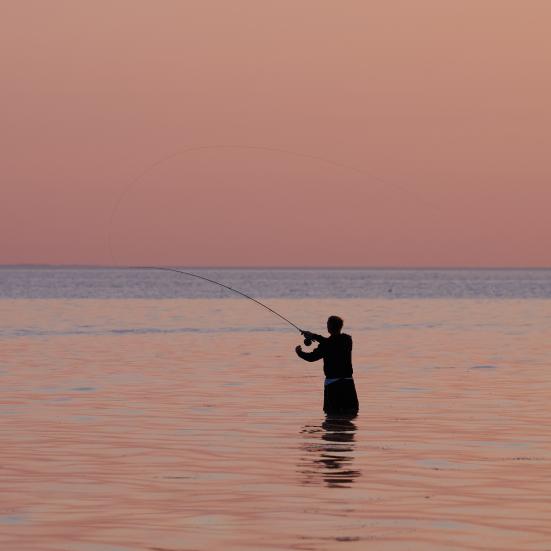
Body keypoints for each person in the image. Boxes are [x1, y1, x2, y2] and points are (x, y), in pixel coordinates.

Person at [295, 315, 359, 416]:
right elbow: (332, 342)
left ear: (328, 327)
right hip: (348, 384)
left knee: (331, 416)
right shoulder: (347, 340)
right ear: (340, 327)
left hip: (333, 385)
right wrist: (314, 336)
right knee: (350, 414)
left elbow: (311, 357)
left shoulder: (326, 345)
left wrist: (299, 352)